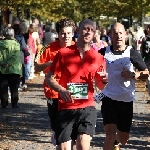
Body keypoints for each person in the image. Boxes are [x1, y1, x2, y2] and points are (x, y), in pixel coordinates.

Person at [45, 19, 106, 150]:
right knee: (64, 148)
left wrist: (105, 81)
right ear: (78, 30)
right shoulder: (63, 53)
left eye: (91, 30)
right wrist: (61, 90)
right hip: (66, 107)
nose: (88, 32)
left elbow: (101, 86)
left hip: (87, 108)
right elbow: (49, 78)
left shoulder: (98, 57)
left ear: (94, 33)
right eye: (85, 28)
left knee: (83, 145)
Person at [97, 22, 149, 150]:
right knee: (109, 135)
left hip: (126, 100)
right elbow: (91, 68)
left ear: (125, 35)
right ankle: (112, 141)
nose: (118, 36)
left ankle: (116, 142)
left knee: (123, 139)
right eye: (115, 33)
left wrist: (133, 75)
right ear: (110, 36)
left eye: (121, 33)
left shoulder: (132, 53)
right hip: (108, 98)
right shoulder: (103, 52)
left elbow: (146, 73)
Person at [34, 18, 76, 146]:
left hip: (72, 92)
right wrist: (49, 64)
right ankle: (58, 136)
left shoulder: (77, 48)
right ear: (58, 34)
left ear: (73, 33)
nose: (66, 36)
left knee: (72, 130)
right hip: (53, 93)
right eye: (63, 33)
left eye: (69, 33)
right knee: (57, 127)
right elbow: (36, 67)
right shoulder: (49, 49)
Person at [0, 27, 22, 108]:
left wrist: (3, 63)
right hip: (14, 69)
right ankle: (14, 104)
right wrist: (8, 63)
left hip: (2, 69)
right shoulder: (16, 44)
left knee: (3, 87)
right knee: (14, 87)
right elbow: (15, 57)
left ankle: (4, 103)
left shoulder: (0, 44)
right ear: (13, 35)